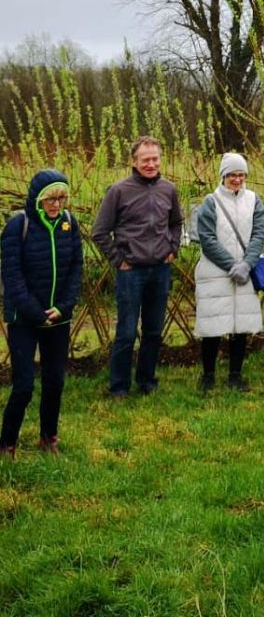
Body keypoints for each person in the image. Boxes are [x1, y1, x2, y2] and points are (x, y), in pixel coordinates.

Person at [92, 135, 183, 397]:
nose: (151, 164)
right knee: (126, 333)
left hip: (160, 270)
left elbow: (176, 223)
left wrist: (172, 249)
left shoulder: (169, 189)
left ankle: (147, 381)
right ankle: (119, 386)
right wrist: (119, 260)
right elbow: (99, 231)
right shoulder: (118, 191)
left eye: (155, 159)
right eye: (146, 160)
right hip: (131, 273)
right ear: (134, 161)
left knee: (154, 331)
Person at [0, 170, 83, 457]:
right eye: (50, 199)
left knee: (55, 380)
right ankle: (7, 442)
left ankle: (49, 437)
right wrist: (37, 313)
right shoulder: (17, 226)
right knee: (23, 385)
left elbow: (76, 269)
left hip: (58, 318)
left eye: (61, 198)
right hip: (24, 319)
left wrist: (62, 307)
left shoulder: (70, 225)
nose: (56, 204)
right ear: (37, 198)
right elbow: (12, 277)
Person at [193, 152, 264, 392]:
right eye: (232, 175)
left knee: (240, 325)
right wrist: (231, 265)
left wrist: (246, 263)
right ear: (223, 175)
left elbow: (258, 234)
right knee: (213, 326)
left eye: (241, 175)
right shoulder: (210, 202)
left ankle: (235, 375)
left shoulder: (254, 200)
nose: (237, 179)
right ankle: (208, 376)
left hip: (245, 271)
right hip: (216, 272)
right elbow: (207, 239)